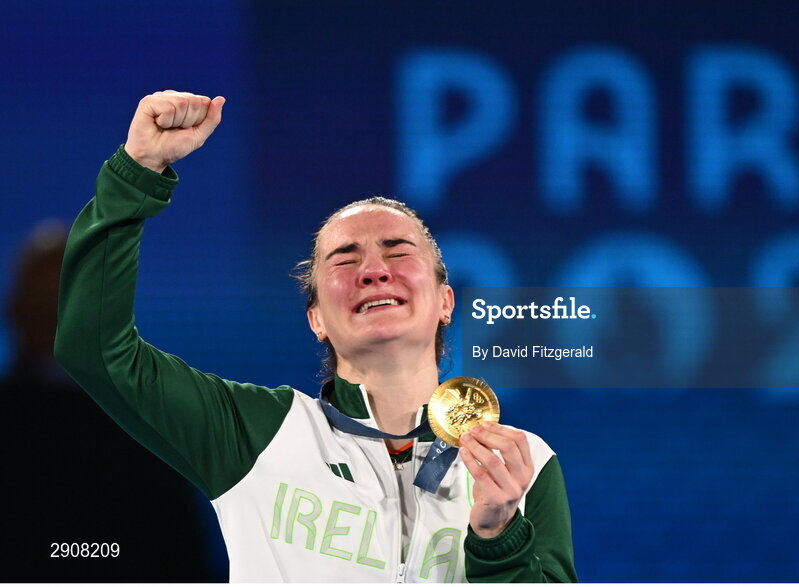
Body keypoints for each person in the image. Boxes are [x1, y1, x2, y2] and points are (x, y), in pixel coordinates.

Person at [55, 91, 576, 582]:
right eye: (345, 259)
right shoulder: (254, 433)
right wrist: (137, 172)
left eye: (397, 252)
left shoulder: (524, 463)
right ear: (316, 319)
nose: (373, 271)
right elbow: (97, 349)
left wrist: (497, 537)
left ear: (445, 301)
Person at [2, 222, 218, 581]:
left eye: (65, 299)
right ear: (15, 309)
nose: (53, 314)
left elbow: (179, 550)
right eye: (43, 299)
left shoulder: (145, 419)